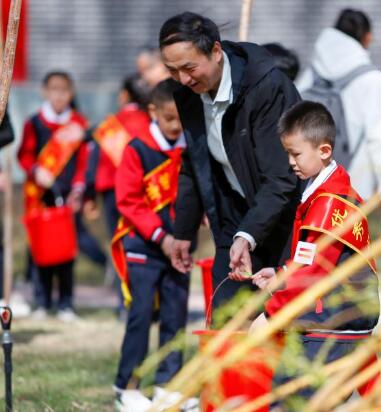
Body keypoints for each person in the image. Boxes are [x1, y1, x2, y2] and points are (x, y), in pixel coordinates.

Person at [159, 12, 301, 321]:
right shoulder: (188, 95)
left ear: (216, 52)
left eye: (189, 67)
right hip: (233, 219)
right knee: (226, 323)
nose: (182, 79)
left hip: (285, 222)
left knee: (281, 329)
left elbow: (281, 178)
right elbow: (195, 162)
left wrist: (248, 235)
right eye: (172, 71)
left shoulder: (266, 87)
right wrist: (183, 231)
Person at [247, 101, 380, 407]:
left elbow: (312, 271)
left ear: (324, 151)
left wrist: (271, 314)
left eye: (296, 154)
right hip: (336, 314)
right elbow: (312, 260)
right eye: (288, 153)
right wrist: (281, 275)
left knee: (289, 399)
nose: (291, 162)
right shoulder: (327, 192)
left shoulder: (328, 202)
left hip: (333, 321)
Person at [111, 79, 196, 411]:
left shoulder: (190, 146)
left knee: (175, 315)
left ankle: (168, 384)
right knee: (141, 315)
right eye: (169, 119)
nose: (176, 127)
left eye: (181, 119)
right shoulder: (137, 148)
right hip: (143, 244)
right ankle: (127, 385)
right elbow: (129, 201)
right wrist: (161, 237)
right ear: (153, 112)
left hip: (180, 247)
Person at [297, 8, 381, 210]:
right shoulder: (372, 79)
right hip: (353, 185)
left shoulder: (313, 71)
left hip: (310, 182)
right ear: (367, 37)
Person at [17, 71, 89, 322]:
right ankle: (41, 300)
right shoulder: (34, 122)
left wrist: (79, 188)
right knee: (40, 251)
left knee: (66, 251)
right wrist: (37, 171)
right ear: (44, 92)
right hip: (40, 197)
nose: (59, 96)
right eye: (54, 90)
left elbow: (83, 162)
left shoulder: (78, 124)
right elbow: (24, 156)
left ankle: (66, 303)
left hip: (68, 198)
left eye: (64, 90)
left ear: (71, 93)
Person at [84, 74, 151, 317]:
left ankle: (125, 303)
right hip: (147, 193)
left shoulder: (111, 123)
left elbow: (93, 163)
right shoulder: (151, 122)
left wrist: (88, 195)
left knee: (120, 243)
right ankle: (149, 303)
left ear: (124, 95)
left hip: (114, 191)